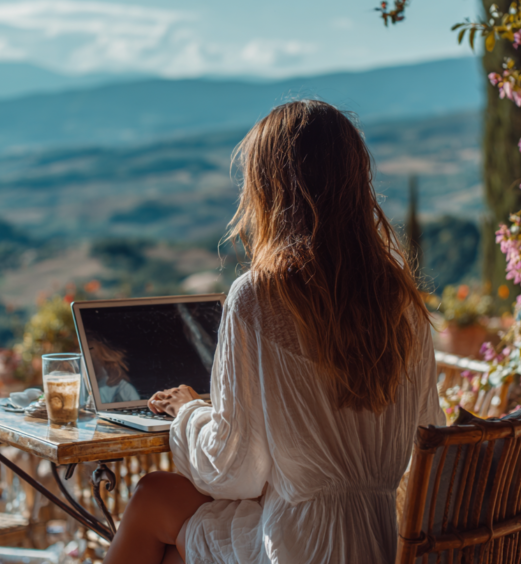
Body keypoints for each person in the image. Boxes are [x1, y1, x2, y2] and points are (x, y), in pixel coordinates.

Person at [104, 100, 445, 564]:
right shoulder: (403, 302)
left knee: (150, 497)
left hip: (299, 546)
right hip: (378, 538)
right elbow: (428, 431)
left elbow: (233, 471)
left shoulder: (258, 298)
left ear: (269, 190)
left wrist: (188, 414)